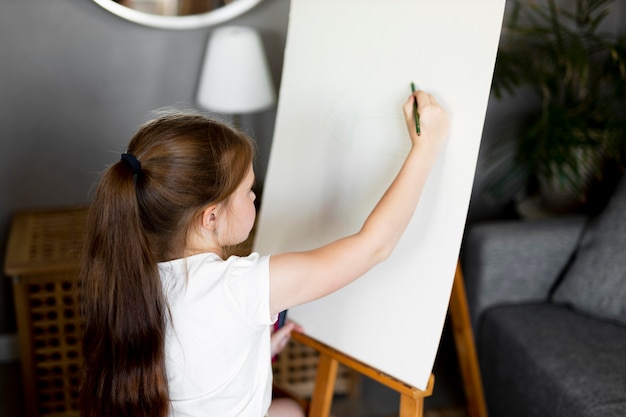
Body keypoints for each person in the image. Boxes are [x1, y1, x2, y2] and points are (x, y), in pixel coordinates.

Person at [78, 90, 449, 417]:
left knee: (286, 410)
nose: (255, 197)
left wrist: (256, 347)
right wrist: (425, 147)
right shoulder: (241, 286)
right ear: (211, 217)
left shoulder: (135, 279)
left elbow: (188, 367)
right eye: (248, 190)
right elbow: (374, 245)